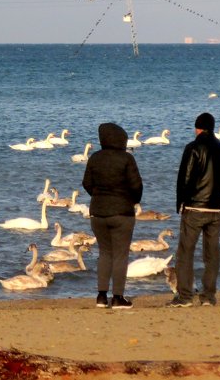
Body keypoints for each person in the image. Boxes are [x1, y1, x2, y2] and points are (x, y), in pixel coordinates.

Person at [170, 111, 220, 307]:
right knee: (212, 253)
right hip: (215, 210)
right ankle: (208, 296)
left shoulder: (193, 148)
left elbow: (185, 178)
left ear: (197, 128)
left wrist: (181, 202)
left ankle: (185, 296)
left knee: (185, 252)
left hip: (195, 207)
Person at [81, 122, 143, 309]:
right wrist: (132, 201)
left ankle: (101, 296)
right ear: (122, 139)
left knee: (105, 253)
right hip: (122, 213)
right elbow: (136, 186)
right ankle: (117, 297)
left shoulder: (95, 158)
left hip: (98, 213)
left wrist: (99, 197)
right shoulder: (127, 159)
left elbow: (86, 183)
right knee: (120, 255)